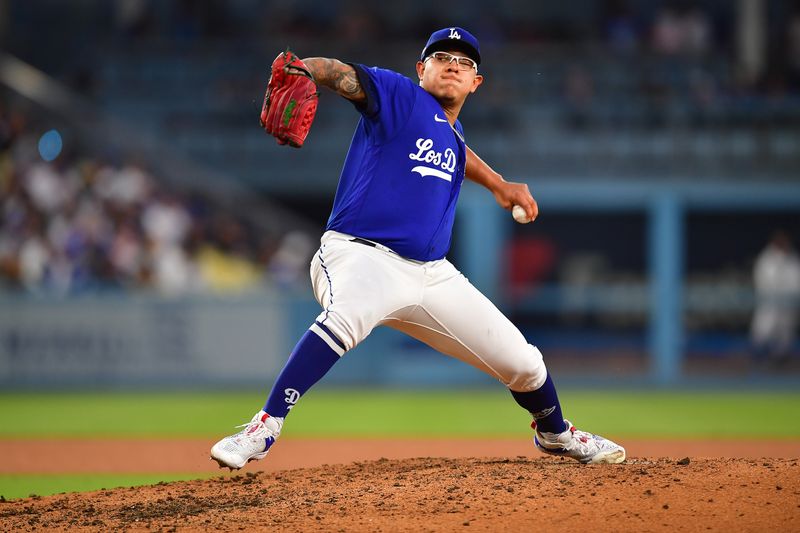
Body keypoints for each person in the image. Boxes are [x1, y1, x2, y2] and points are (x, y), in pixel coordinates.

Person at [211, 27, 625, 469]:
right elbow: (344, 75)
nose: (453, 65)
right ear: (421, 69)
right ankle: (264, 426)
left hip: (432, 275)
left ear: (475, 83)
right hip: (362, 255)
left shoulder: (452, 131)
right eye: (442, 56)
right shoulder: (399, 97)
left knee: (525, 362)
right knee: (345, 318)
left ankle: (555, 433)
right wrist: (307, 68)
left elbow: (459, 151)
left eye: (465, 62)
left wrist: (499, 184)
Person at [750, 230, 800, 367]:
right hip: (769, 303)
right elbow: (763, 282)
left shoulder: (793, 259)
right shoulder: (766, 259)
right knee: (763, 330)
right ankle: (757, 362)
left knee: (785, 333)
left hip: (788, 304)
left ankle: (779, 364)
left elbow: (796, 282)